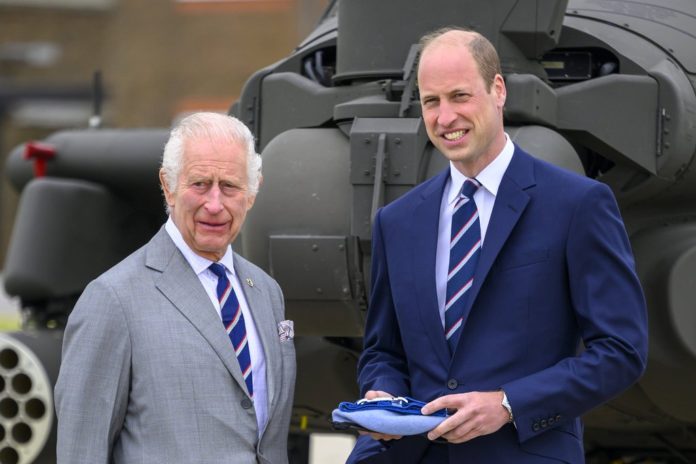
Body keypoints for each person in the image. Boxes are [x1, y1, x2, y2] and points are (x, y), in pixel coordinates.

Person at [347, 27, 648, 463]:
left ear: (498, 90)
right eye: (431, 101)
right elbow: (383, 351)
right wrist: (385, 399)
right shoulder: (397, 221)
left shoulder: (577, 204)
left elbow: (620, 351)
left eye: (460, 96)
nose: (445, 117)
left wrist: (508, 404)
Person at [55, 112, 296, 464]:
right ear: (168, 185)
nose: (215, 205)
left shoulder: (266, 291)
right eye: (200, 184)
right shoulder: (113, 299)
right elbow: (82, 450)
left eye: (229, 186)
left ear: (252, 192)